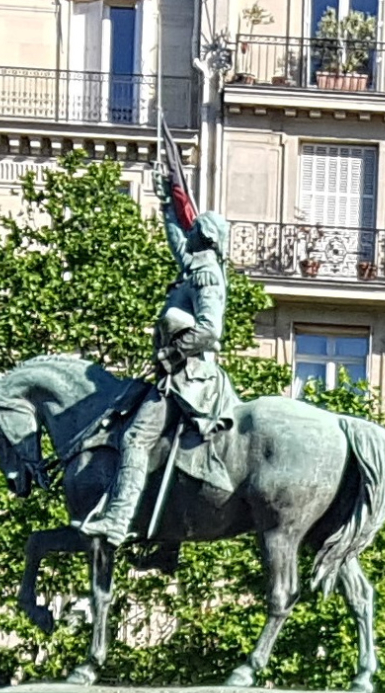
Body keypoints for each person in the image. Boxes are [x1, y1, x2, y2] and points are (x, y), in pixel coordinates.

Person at [83, 173, 239, 546]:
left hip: (190, 377)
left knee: (136, 438)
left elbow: (210, 330)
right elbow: (178, 245)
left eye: (195, 229)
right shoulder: (194, 269)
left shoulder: (206, 275)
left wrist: (174, 351)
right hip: (177, 373)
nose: (190, 234)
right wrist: (168, 203)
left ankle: (118, 521)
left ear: (207, 238)